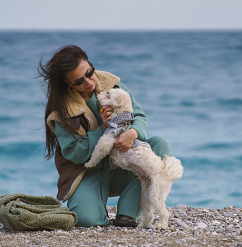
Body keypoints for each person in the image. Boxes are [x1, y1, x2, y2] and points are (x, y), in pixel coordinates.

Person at [38, 45, 171, 227]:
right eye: (79, 81)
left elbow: (138, 115)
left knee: (159, 145)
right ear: (68, 84)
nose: (88, 82)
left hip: (122, 165)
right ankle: (93, 204)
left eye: (89, 72)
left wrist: (133, 133)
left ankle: (127, 213)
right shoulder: (61, 111)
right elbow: (75, 153)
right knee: (87, 220)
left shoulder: (112, 84)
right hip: (87, 172)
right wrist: (104, 128)